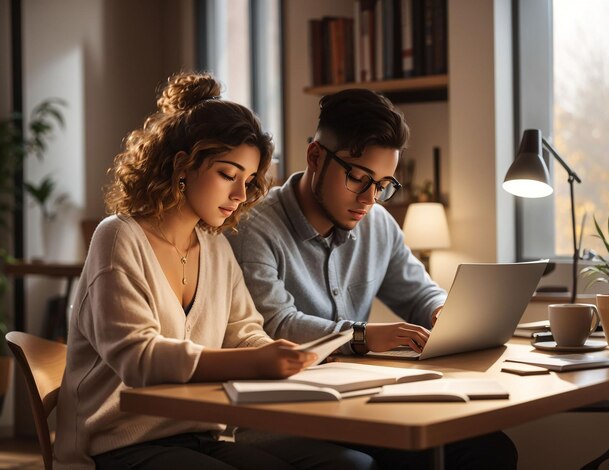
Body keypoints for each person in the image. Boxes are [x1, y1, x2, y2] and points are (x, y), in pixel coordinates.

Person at [226, 88, 518, 469]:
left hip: (362, 407)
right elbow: (277, 325)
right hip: (288, 415)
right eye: (358, 178)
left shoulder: (378, 224)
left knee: (489, 448)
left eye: (383, 185)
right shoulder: (254, 228)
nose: (369, 199)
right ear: (315, 156)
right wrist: (362, 335)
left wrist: (442, 311)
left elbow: (418, 292)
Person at [53, 72, 324, 470]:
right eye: (228, 175)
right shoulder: (118, 238)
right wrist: (254, 364)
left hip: (201, 436)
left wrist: (281, 355)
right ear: (183, 165)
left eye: (248, 181)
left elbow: (243, 331)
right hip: (114, 446)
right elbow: (138, 358)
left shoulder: (215, 249)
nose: (240, 195)